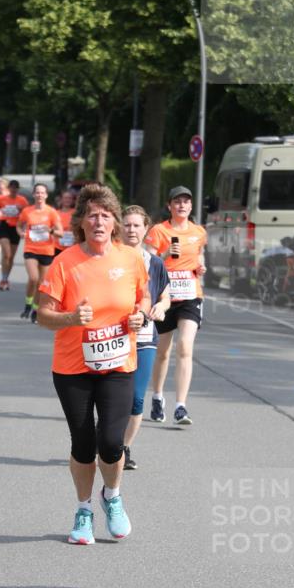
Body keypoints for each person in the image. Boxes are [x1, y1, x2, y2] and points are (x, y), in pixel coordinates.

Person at [38, 183, 150, 545]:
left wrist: (141, 315)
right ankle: (84, 508)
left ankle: (112, 496)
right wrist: (72, 318)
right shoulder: (64, 262)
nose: (99, 221)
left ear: (114, 222)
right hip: (73, 367)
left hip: (119, 363)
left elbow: (144, 297)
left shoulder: (131, 258)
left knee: (112, 441)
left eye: (106, 215)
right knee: (84, 444)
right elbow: (43, 315)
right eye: (92, 215)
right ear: (81, 223)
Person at [144, 185, 207, 425]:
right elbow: (148, 264)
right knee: (162, 352)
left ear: (191, 206)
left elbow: (200, 258)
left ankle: (181, 406)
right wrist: (167, 252)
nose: (182, 205)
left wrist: (201, 267)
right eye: (177, 201)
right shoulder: (159, 231)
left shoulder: (199, 232)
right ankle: (158, 397)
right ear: (169, 206)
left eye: (186, 201)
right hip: (164, 296)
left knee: (185, 347)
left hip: (191, 295)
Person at [120, 206, 171, 470]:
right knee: (112, 397)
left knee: (137, 398)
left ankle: (123, 448)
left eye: (136, 225)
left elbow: (165, 295)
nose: (131, 230)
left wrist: (161, 307)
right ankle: (107, 440)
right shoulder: (110, 258)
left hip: (144, 335)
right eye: (127, 225)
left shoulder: (155, 263)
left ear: (146, 229)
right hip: (113, 338)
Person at [17, 183, 62, 323]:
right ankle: (28, 303)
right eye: (37, 192)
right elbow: (19, 226)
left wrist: (51, 231)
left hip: (47, 251)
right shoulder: (27, 211)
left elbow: (60, 232)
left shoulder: (51, 212)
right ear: (33, 194)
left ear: (46, 195)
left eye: (42, 193)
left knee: (42, 284)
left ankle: (35, 309)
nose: (40, 195)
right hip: (31, 249)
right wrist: (21, 233)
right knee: (33, 278)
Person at [0, 179, 29, 290]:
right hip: (4, 225)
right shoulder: (2, 199)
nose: (13, 189)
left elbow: (27, 214)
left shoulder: (22, 200)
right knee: (6, 254)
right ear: (9, 189)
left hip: (16, 228)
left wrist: (21, 209)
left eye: (15, 188)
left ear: (18, 189)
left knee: (11, 256)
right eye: (11, 187)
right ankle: (3, 279)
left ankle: (6, 278)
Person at [53, 189, 76, 258]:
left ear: (72, 200)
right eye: (65, 198)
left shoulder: (76, 213)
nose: (67, 200)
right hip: (57, 246)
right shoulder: (55, 213)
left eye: (70, 198)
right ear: (61, 199)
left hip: (72, 246)